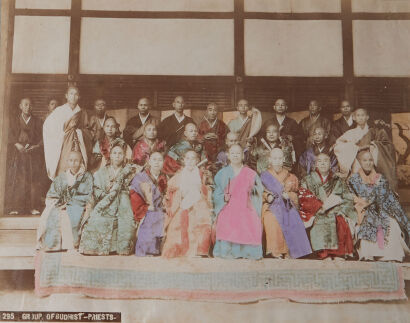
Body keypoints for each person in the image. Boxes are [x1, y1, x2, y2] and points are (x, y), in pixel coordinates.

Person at [348, 149, 410, 262]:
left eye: (370, 160)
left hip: (380, 209)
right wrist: (364, 201)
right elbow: (351, 196)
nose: (368, 163)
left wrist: (378, 199)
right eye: (365, 160)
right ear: (360, 162)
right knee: (368, 223)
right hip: (363, 210)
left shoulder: (381, 178)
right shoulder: (354, 179)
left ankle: (389, 255)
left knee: (391, 223)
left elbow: (387, 195)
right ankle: (369, 255)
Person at [79, 139, 137, 255]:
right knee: (96, 219)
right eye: (114, 153)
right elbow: (96, 189)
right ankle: (96, 248)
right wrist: (107, 195)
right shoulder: (101, 172)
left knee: (127, 222)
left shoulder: (129, 172)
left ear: (124, 156)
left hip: (123, 204)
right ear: (110, 155)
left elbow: (134, 189)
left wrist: (121, 191)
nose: (117, 156)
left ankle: (121, 248)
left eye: (120, 154)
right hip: (105, 203)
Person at [299, 153, 357, 260]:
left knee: (339, 220)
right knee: (320, 220)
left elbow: (347, 198)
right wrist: (321, 207)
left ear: (330, 164)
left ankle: (339, 253)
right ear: (315, 164)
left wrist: (340, 210)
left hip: (335, 210)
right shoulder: (307, 180)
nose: (322, 163)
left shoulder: (338, 180)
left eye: (325, 161)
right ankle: (324, 253)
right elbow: (304, 197)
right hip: (317, 211)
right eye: (319, 161)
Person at [213, 144, 263, 259]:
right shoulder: (222, 173)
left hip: (246, 205)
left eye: (238, 153)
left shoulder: (251, 173)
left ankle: (246, 251)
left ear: (243, 156)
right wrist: (222, 198)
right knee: (225, 217)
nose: (235, 155)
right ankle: (229, 251)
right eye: (233, 153)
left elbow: (259, 191)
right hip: (228, 205)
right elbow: (216, 192)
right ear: (228, 155)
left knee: (251, 218)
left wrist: (251, 190)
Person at [36, 151, 93, 252]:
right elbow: (52, 193)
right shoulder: (61, 177)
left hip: (78, 204)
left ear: (81, 162)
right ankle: (54, 244)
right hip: (61, 204)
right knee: (51, 214)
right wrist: (59, 203)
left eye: (76, 160)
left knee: (71, 216)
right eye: (71, 160)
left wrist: (70, 203)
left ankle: (71, 244)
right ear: (67, 162)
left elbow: (88, 194)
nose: (73, 163)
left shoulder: (86, 176)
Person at [260, 148, 312, 259]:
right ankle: (275, 250)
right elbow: (259, 192)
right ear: (270, 159)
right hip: (271, 206)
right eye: (274, 158)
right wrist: (267, 196)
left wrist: (289, 196)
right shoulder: (264, 176)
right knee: (271, 219)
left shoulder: (291, 176)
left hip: (287, 205)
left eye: (279, 158)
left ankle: (289, 251)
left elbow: (296, 194)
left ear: (283, 159)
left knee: (290, 217)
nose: (277, 161)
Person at [162, 150, 213, 258]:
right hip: (182, 204)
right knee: (176, 224)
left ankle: (199, 250)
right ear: (184, 160)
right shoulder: (178, 176)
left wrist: (200, 189)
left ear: (197, 160)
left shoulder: (202, 175)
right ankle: (179, 249)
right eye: (188, 158)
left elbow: (207, 190)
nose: (190, 161)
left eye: (193, 158)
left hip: (199, 204)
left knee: (202, 220)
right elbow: (170, 192)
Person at [333, 108, 397, 190]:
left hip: (373, 162)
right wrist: (357, 148)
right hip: (356, 164)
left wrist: (373, 146)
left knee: (377, 182)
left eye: (363, 115)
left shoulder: (374, 131)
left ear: (367, 117)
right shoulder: (350, 133)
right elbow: (338, 146)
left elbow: (388, 146)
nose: (360, 118)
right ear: (354, 118)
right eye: (358, 115)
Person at [43, 85, 92, 180]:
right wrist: (64, 133)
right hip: (63, 145)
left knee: (78, 170)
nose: (73, 97)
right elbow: (48, 127)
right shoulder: (59, 111)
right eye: (71, 94)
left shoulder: (82, 112)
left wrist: (78, 132)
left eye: (76, 94)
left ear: (79, 96)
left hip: (78, 145)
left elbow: (87, 130)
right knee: (63, 170)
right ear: (66, 95)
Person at [6, 97, 44, 215]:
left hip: (32, 155)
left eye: (30, 105)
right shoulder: (14, 120)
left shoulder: (37, 121)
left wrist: (35, 147)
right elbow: (9, 135)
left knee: (32, 180)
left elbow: (41, 138)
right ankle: (16, 207)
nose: (28, 107)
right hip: (18, 155)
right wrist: (17, 144)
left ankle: (32, 207)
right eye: (25, 105)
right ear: (20, 106)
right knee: (17, 179)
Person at [130, 152, 168, 257]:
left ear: (163, 163)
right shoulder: (141, 177)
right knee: (151, 216)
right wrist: (146, 207)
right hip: (144, 207)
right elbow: (134, 194)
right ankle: (146, 250)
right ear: (149, 161)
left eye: (160, 160)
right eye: (154, 159)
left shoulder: (165, 177)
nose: (157, 162)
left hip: (160, 208)